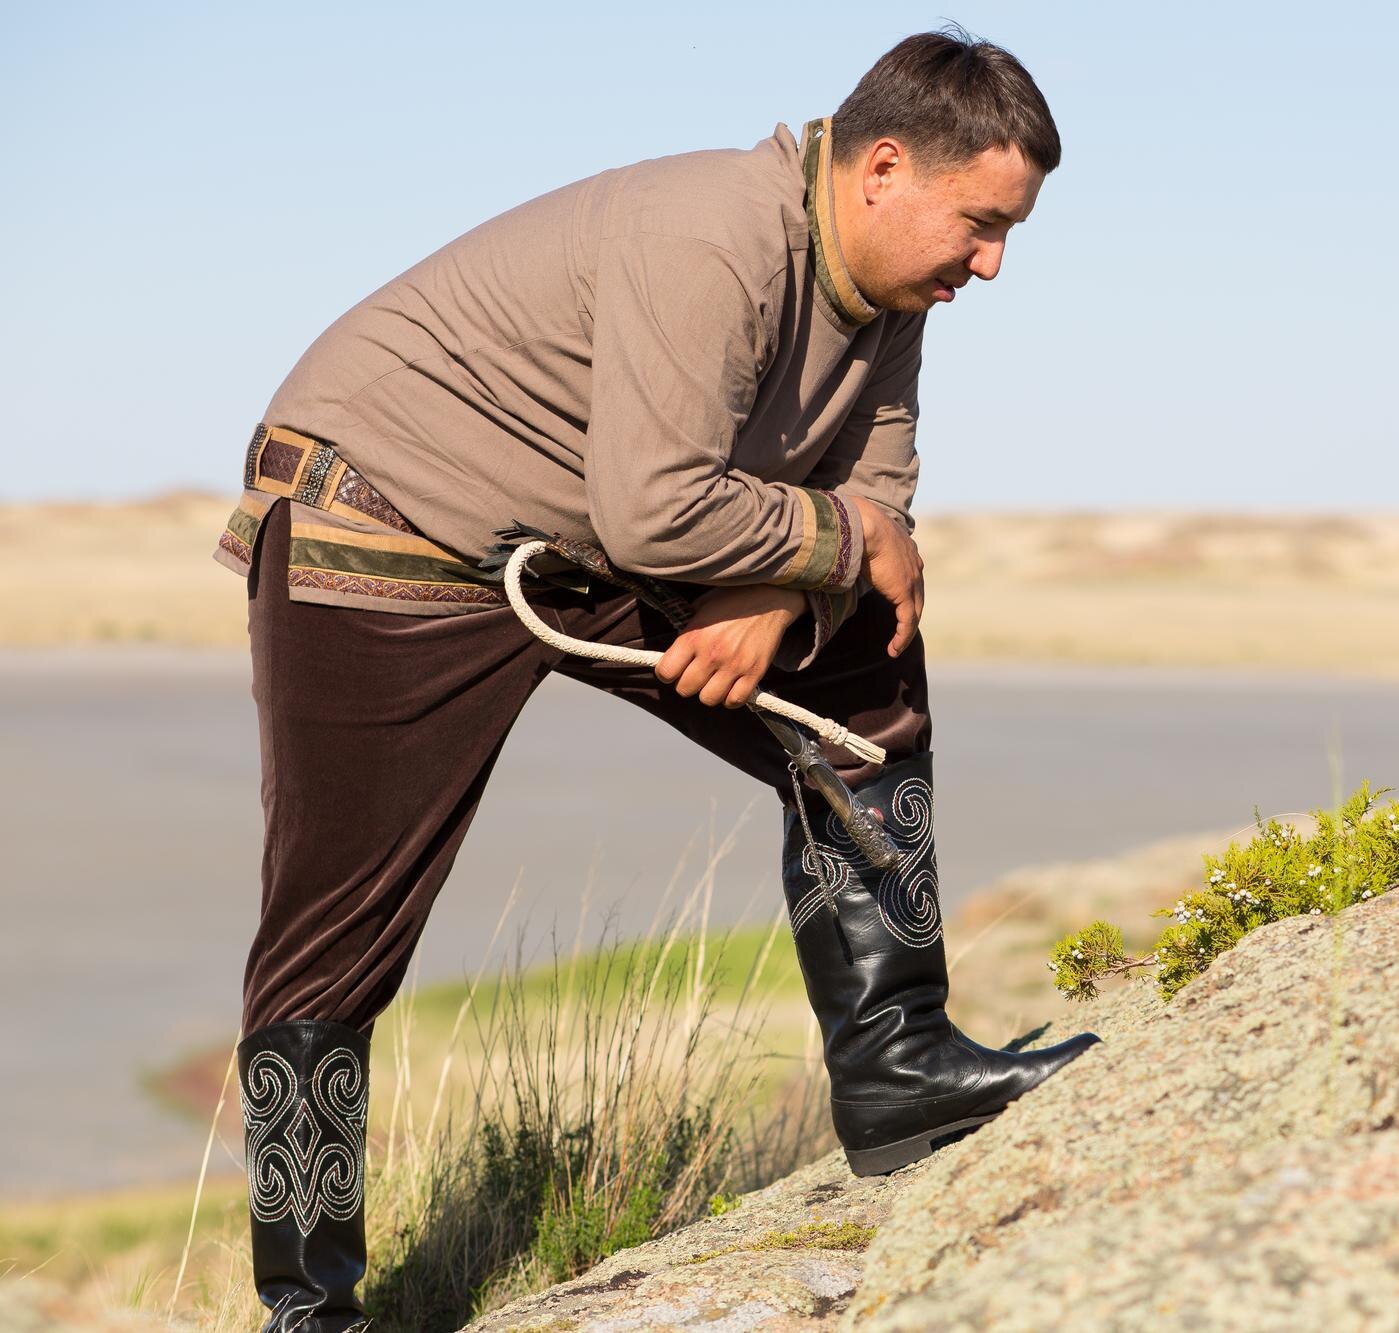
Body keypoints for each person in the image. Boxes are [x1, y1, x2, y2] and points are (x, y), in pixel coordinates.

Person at [214, 29, 1099, 1331]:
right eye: (979, 224)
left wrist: (786, 587)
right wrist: (837, 545)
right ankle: (312, 1307)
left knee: (864, 660)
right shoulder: (708, 241)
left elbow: (875, 490)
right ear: (885, 167)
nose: (993, 263)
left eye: (1008, 232)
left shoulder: (884, 293)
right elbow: (663, 512)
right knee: (332, 939)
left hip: (576, 536)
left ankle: (898, 1067)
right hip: (385, 521)